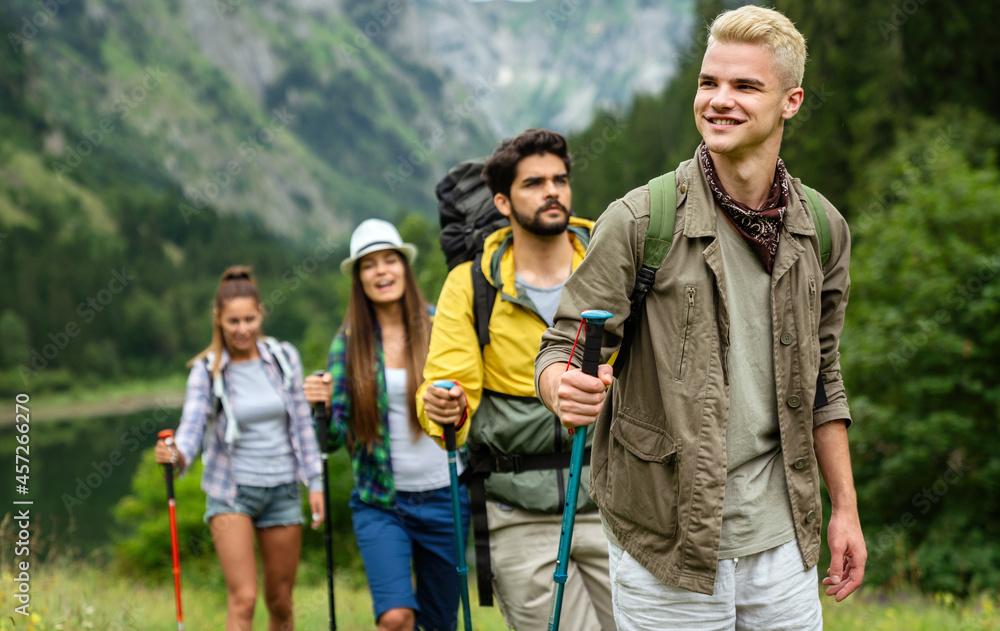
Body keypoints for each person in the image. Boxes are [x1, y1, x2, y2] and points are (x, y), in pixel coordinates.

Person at [535, 6, 867, 629]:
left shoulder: (821, 228)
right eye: (708, 82)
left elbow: (824, 380)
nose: (720, 100)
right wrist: (563, 388)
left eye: (745, 86)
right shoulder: (641, 221)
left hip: (783, 541)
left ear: (790, 102)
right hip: (666, 542)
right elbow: (560, 346)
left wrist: (843, 509)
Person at [419, 129, 616, 630]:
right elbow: (446, 385)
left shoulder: (613, 263)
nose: (552, 191)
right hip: (517, 513)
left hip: (618, 504)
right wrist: (445, 408)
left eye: (560, 180)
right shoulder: (472, 284)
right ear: (503, 201)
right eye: (534, 183)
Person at [304, 218, 471, 631]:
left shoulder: (439, 325)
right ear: (359, 278)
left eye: (389, 260)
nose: (381, 271)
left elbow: (471, 398)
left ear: (404, 267)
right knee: (396, 618)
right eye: (369, 264)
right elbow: (331, 439)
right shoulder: (349, 341)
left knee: (439, 624)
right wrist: (319, 408)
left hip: (446, 497)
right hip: (381, 503)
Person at [154, 266, 324, 631]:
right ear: (218, 319)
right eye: (233, 321)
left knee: (280, 602)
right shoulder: (206, 370)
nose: (243, 328)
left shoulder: (283, 358)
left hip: (283, 489)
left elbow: (302, 423)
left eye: (249, 318)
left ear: (261, 312)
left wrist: (316, 481)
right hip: (232, 493)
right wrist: (176, 454)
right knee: (244, 598)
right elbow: (192, 427)